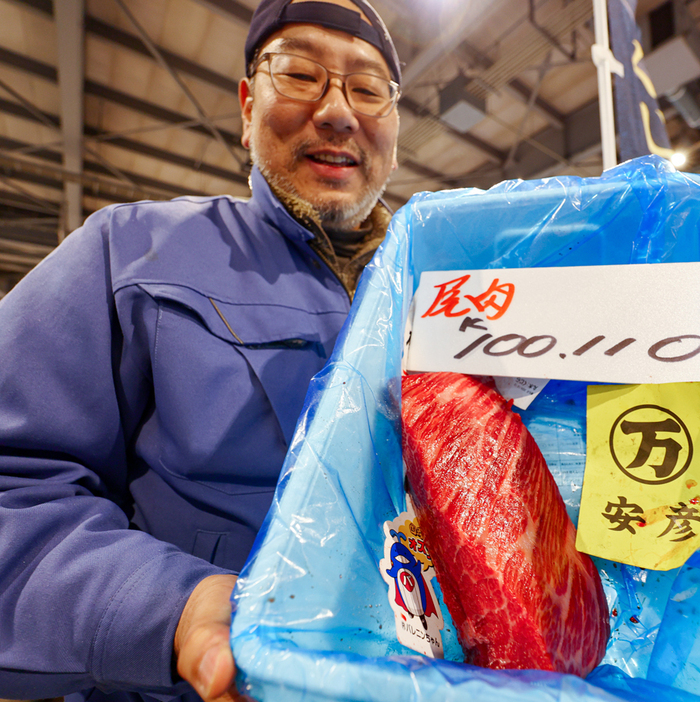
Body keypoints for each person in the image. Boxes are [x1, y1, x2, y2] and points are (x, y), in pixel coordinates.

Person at [0, 2, 401, 702]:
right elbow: (13, 486)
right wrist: (173, 610)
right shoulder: (130, 253)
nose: (339, 112)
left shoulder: (442, 289)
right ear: (247, 106)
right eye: (301, 74)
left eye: (367, 89)